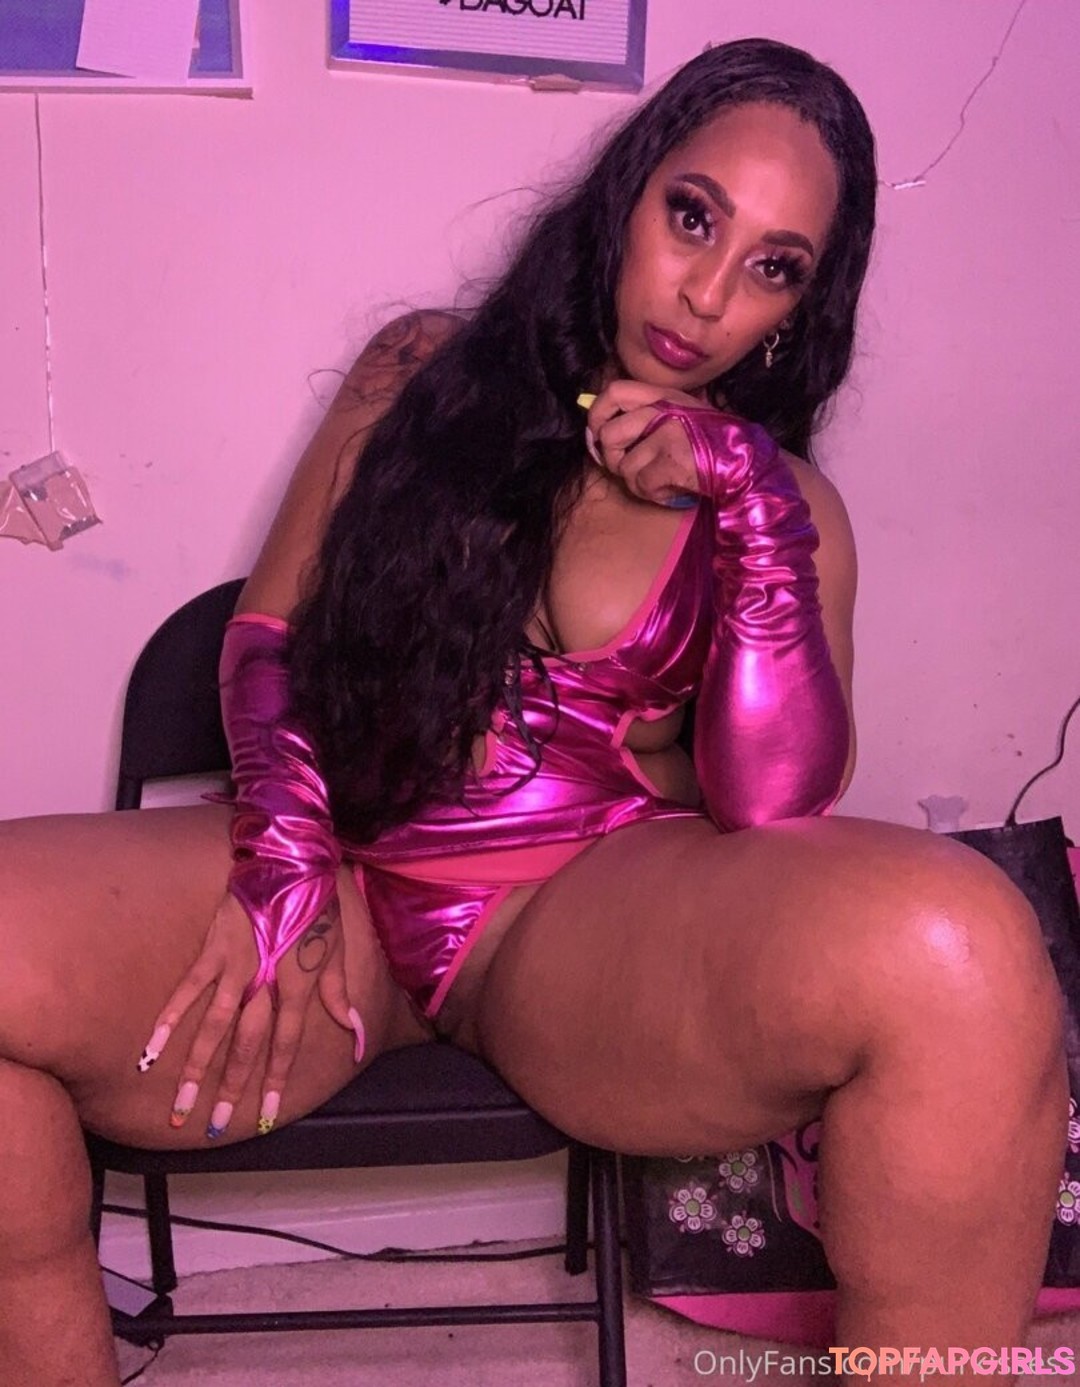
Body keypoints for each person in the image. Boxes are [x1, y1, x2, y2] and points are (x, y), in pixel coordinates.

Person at [0, 36, 1067, 1387]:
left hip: (571, 922)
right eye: (694, 216)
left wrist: (751, 503)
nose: (707, 293)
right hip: (339, 872)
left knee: (964, 954)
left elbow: (773, 799)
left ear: (802, 310)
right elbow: (270, 636)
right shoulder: (419, 368)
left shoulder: (788, 503)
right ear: (629, 191)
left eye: (774, 267)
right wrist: (282, 852)